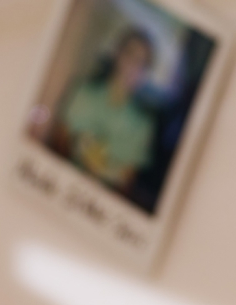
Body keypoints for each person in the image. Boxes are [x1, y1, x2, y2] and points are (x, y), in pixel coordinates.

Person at [52, 26, 158, 197]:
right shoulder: (84, 92)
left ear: (145, 72)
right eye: (130, 54)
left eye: (142, 62)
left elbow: (126, 181)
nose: (133, 66)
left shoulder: (143, 126)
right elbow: (60, 141)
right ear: (118, 54)